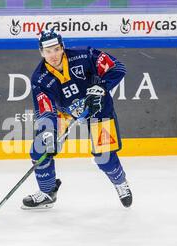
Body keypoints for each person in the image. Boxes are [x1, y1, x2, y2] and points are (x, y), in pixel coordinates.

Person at [22, 29, 132, 210]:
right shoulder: (39, 78)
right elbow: (45, 108)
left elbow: (118, 68)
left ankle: (120, 182)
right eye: (48, 51)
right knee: (40, 148)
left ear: (62, 47)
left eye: (56, 49)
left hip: (98, 108)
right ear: (42, 52)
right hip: (65, 114)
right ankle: (48, 192)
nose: (53, 55)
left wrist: (101, 87)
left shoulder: (85, 55)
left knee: (104, 156)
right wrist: (48, 130)